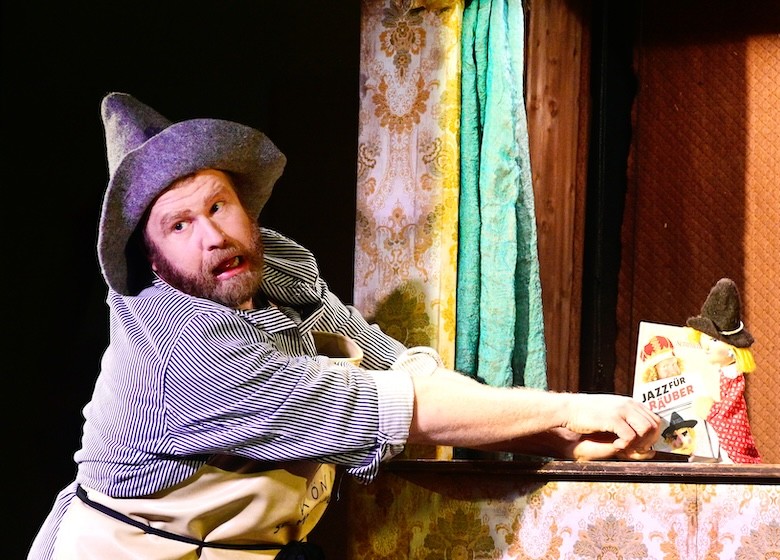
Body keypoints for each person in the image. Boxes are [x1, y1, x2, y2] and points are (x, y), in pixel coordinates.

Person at [28, 92, 661, 560]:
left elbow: (397, 368)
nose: (214, 236)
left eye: (219, 205)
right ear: (152, 259)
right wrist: (564, 409)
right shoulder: (174, 353)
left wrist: (554, 438)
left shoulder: (276, 271)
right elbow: (383, 407)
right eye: (179, 225)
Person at [686, 278, 762, 464]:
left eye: (713, 340)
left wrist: (711, 411)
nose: (706, 345)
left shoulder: (731, 376)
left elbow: (732, 412)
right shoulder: (707, 370)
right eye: (704, 338)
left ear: (731, 350)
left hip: (725, 441)